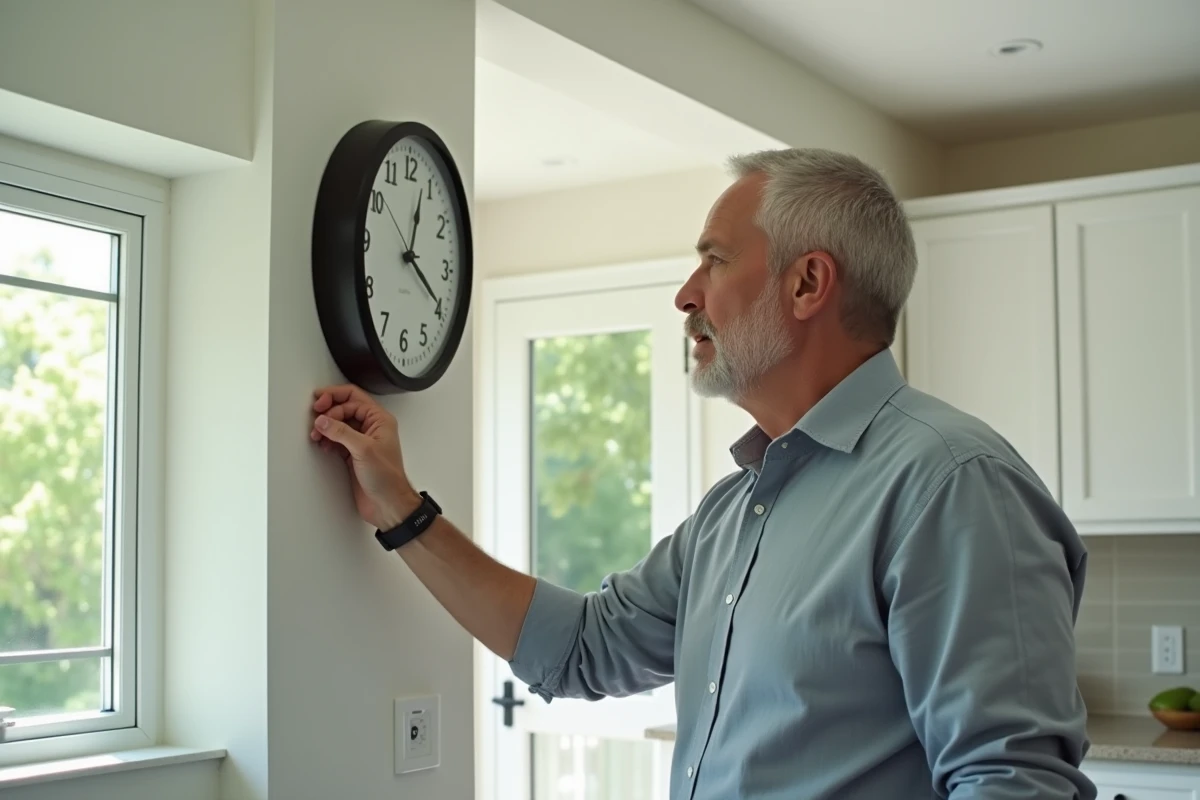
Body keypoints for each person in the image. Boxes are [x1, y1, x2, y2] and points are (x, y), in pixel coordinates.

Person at [310, 148, 1096, 800]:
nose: (687, 295)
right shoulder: (736, 511)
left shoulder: (953, 485)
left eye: (714, 261)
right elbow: (581, 648)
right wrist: (402, 511)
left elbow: (1012, 782)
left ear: (807, 283)